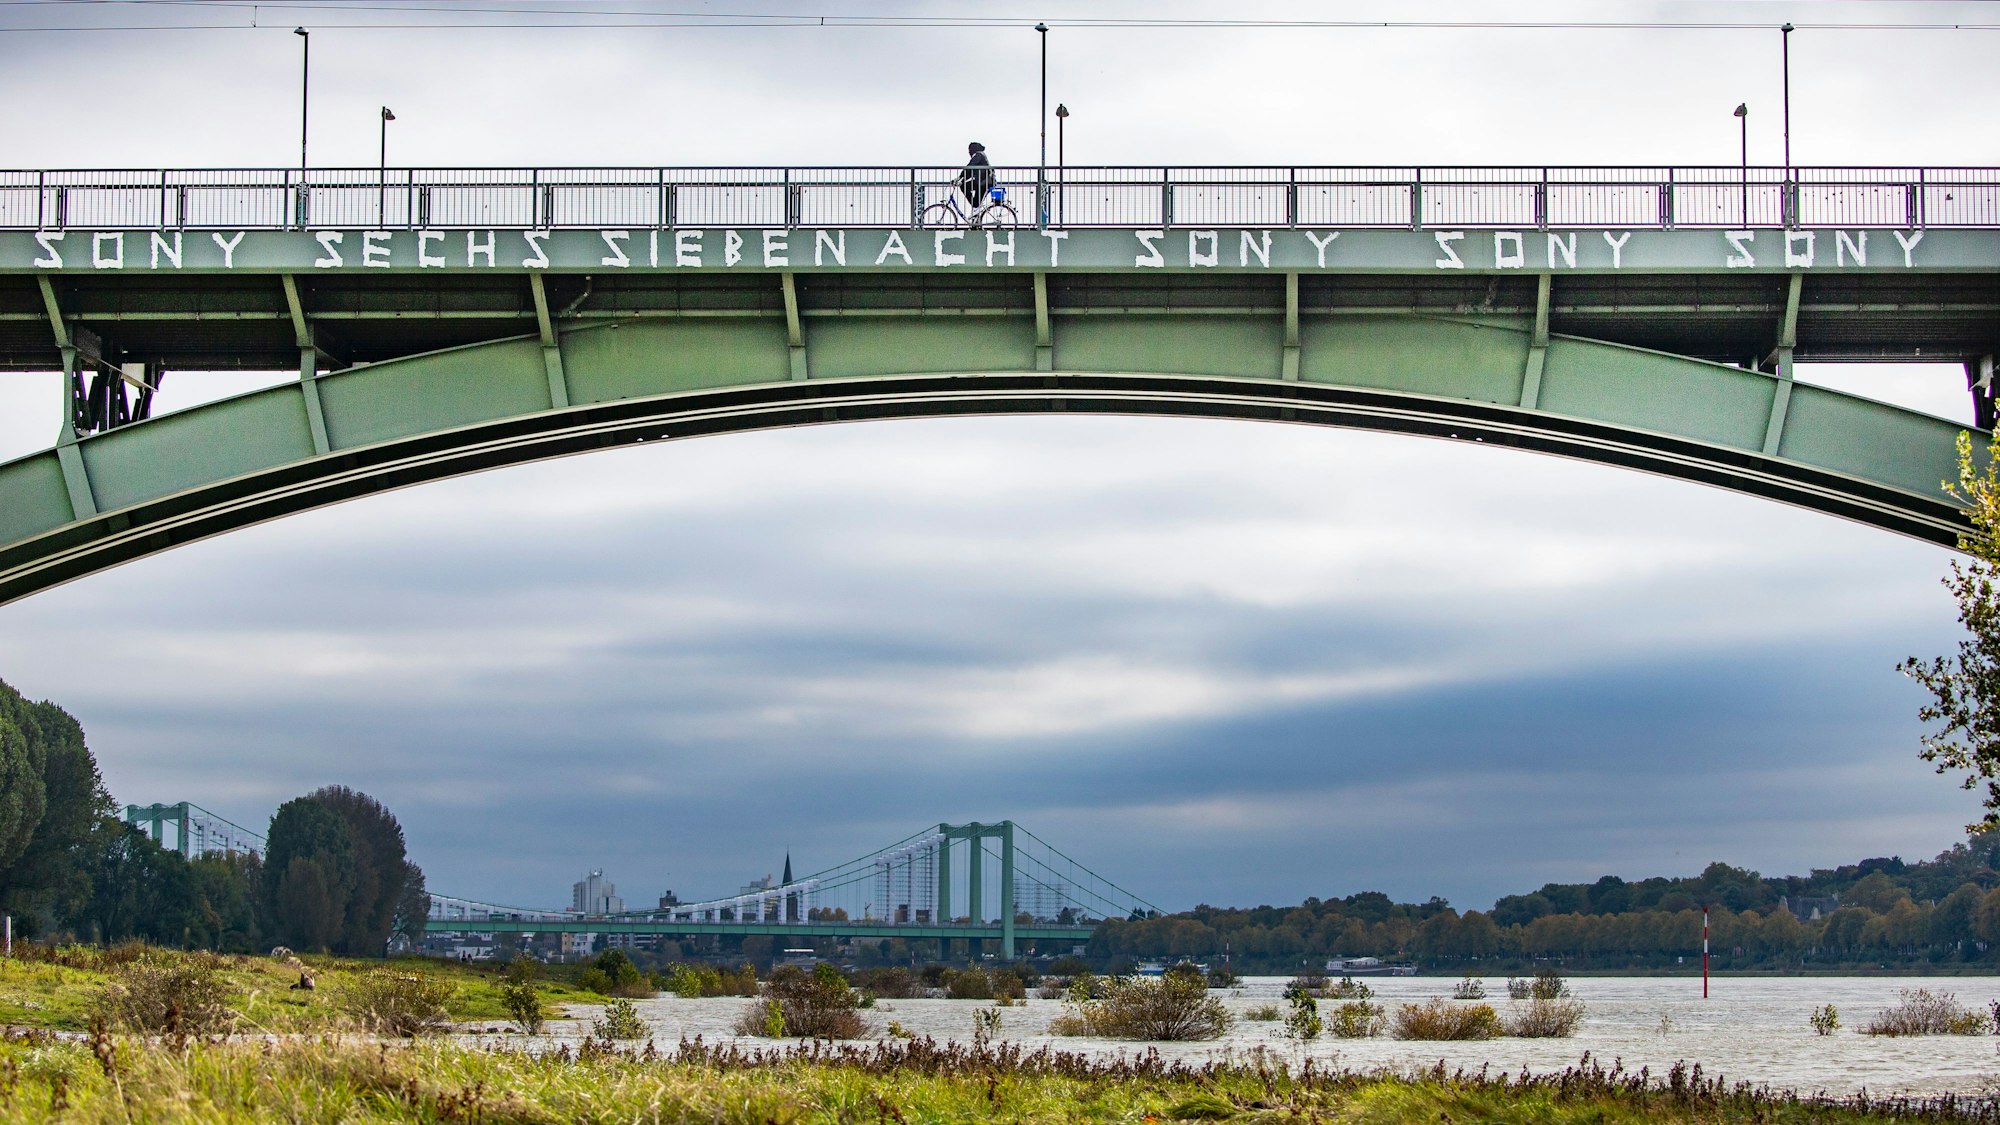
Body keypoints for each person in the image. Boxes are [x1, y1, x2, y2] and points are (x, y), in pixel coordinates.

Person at [956, 142, 994, 216]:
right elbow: (970, 172)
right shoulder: (981, 155)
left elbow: (970, 167)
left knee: (965, 188)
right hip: (982, 182)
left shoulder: (978, 155)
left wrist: (960, 177)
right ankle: (976, 218)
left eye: (969, 150)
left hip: (984, 182)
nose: (969, 152)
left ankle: (976, 215)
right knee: (976, 203)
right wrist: (962, 179)